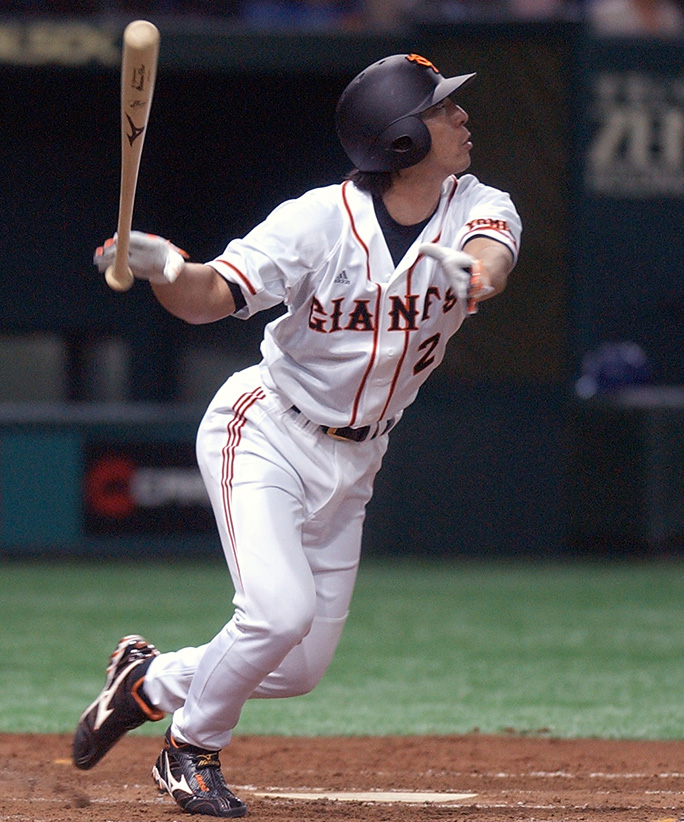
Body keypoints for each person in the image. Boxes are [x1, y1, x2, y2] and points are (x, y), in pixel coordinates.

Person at [72, 52, 521, 818]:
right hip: (269, 429)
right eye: (442, 108)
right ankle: (188, 751)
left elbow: (491, 260)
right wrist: (166, 271)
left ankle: (148, 682)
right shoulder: (315, 221)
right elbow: (212, 295)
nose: (460, 115)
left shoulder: (481, 202)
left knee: (296, 665)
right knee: (275, 615)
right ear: (402, 140)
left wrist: (472, 274)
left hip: (359, 457)